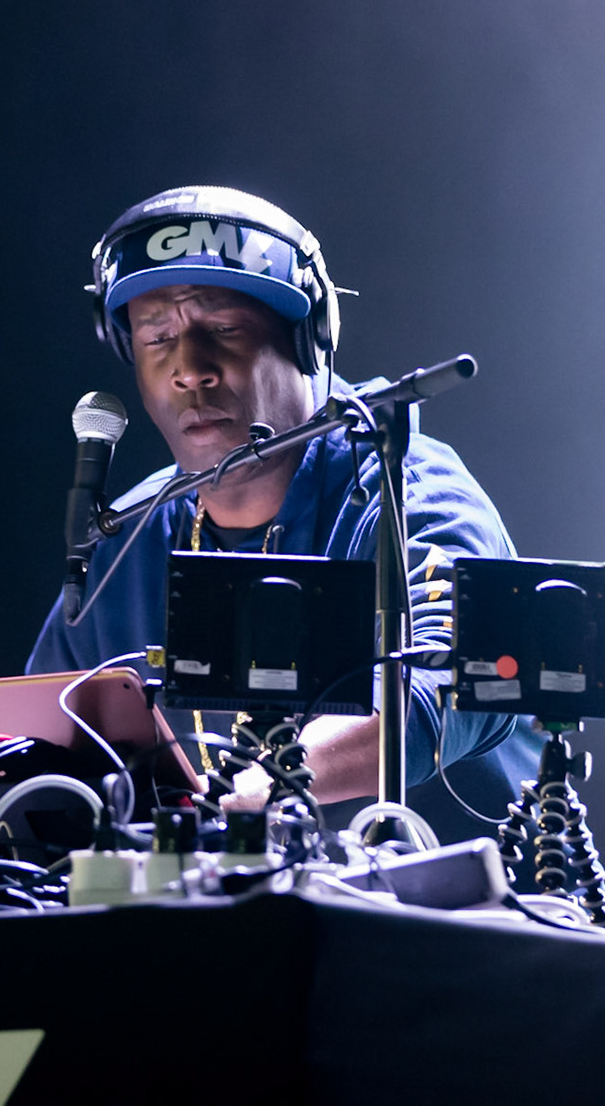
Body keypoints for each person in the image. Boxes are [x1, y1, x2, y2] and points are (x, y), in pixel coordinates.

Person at [26, 184, 541, 840]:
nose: (190, 370)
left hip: (459, 923)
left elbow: (444, 689)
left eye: (224, 330)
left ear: (308, 341)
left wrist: (264, 788)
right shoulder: (123, 541)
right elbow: (40, 738)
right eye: (159, 337)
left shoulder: (412, 493)